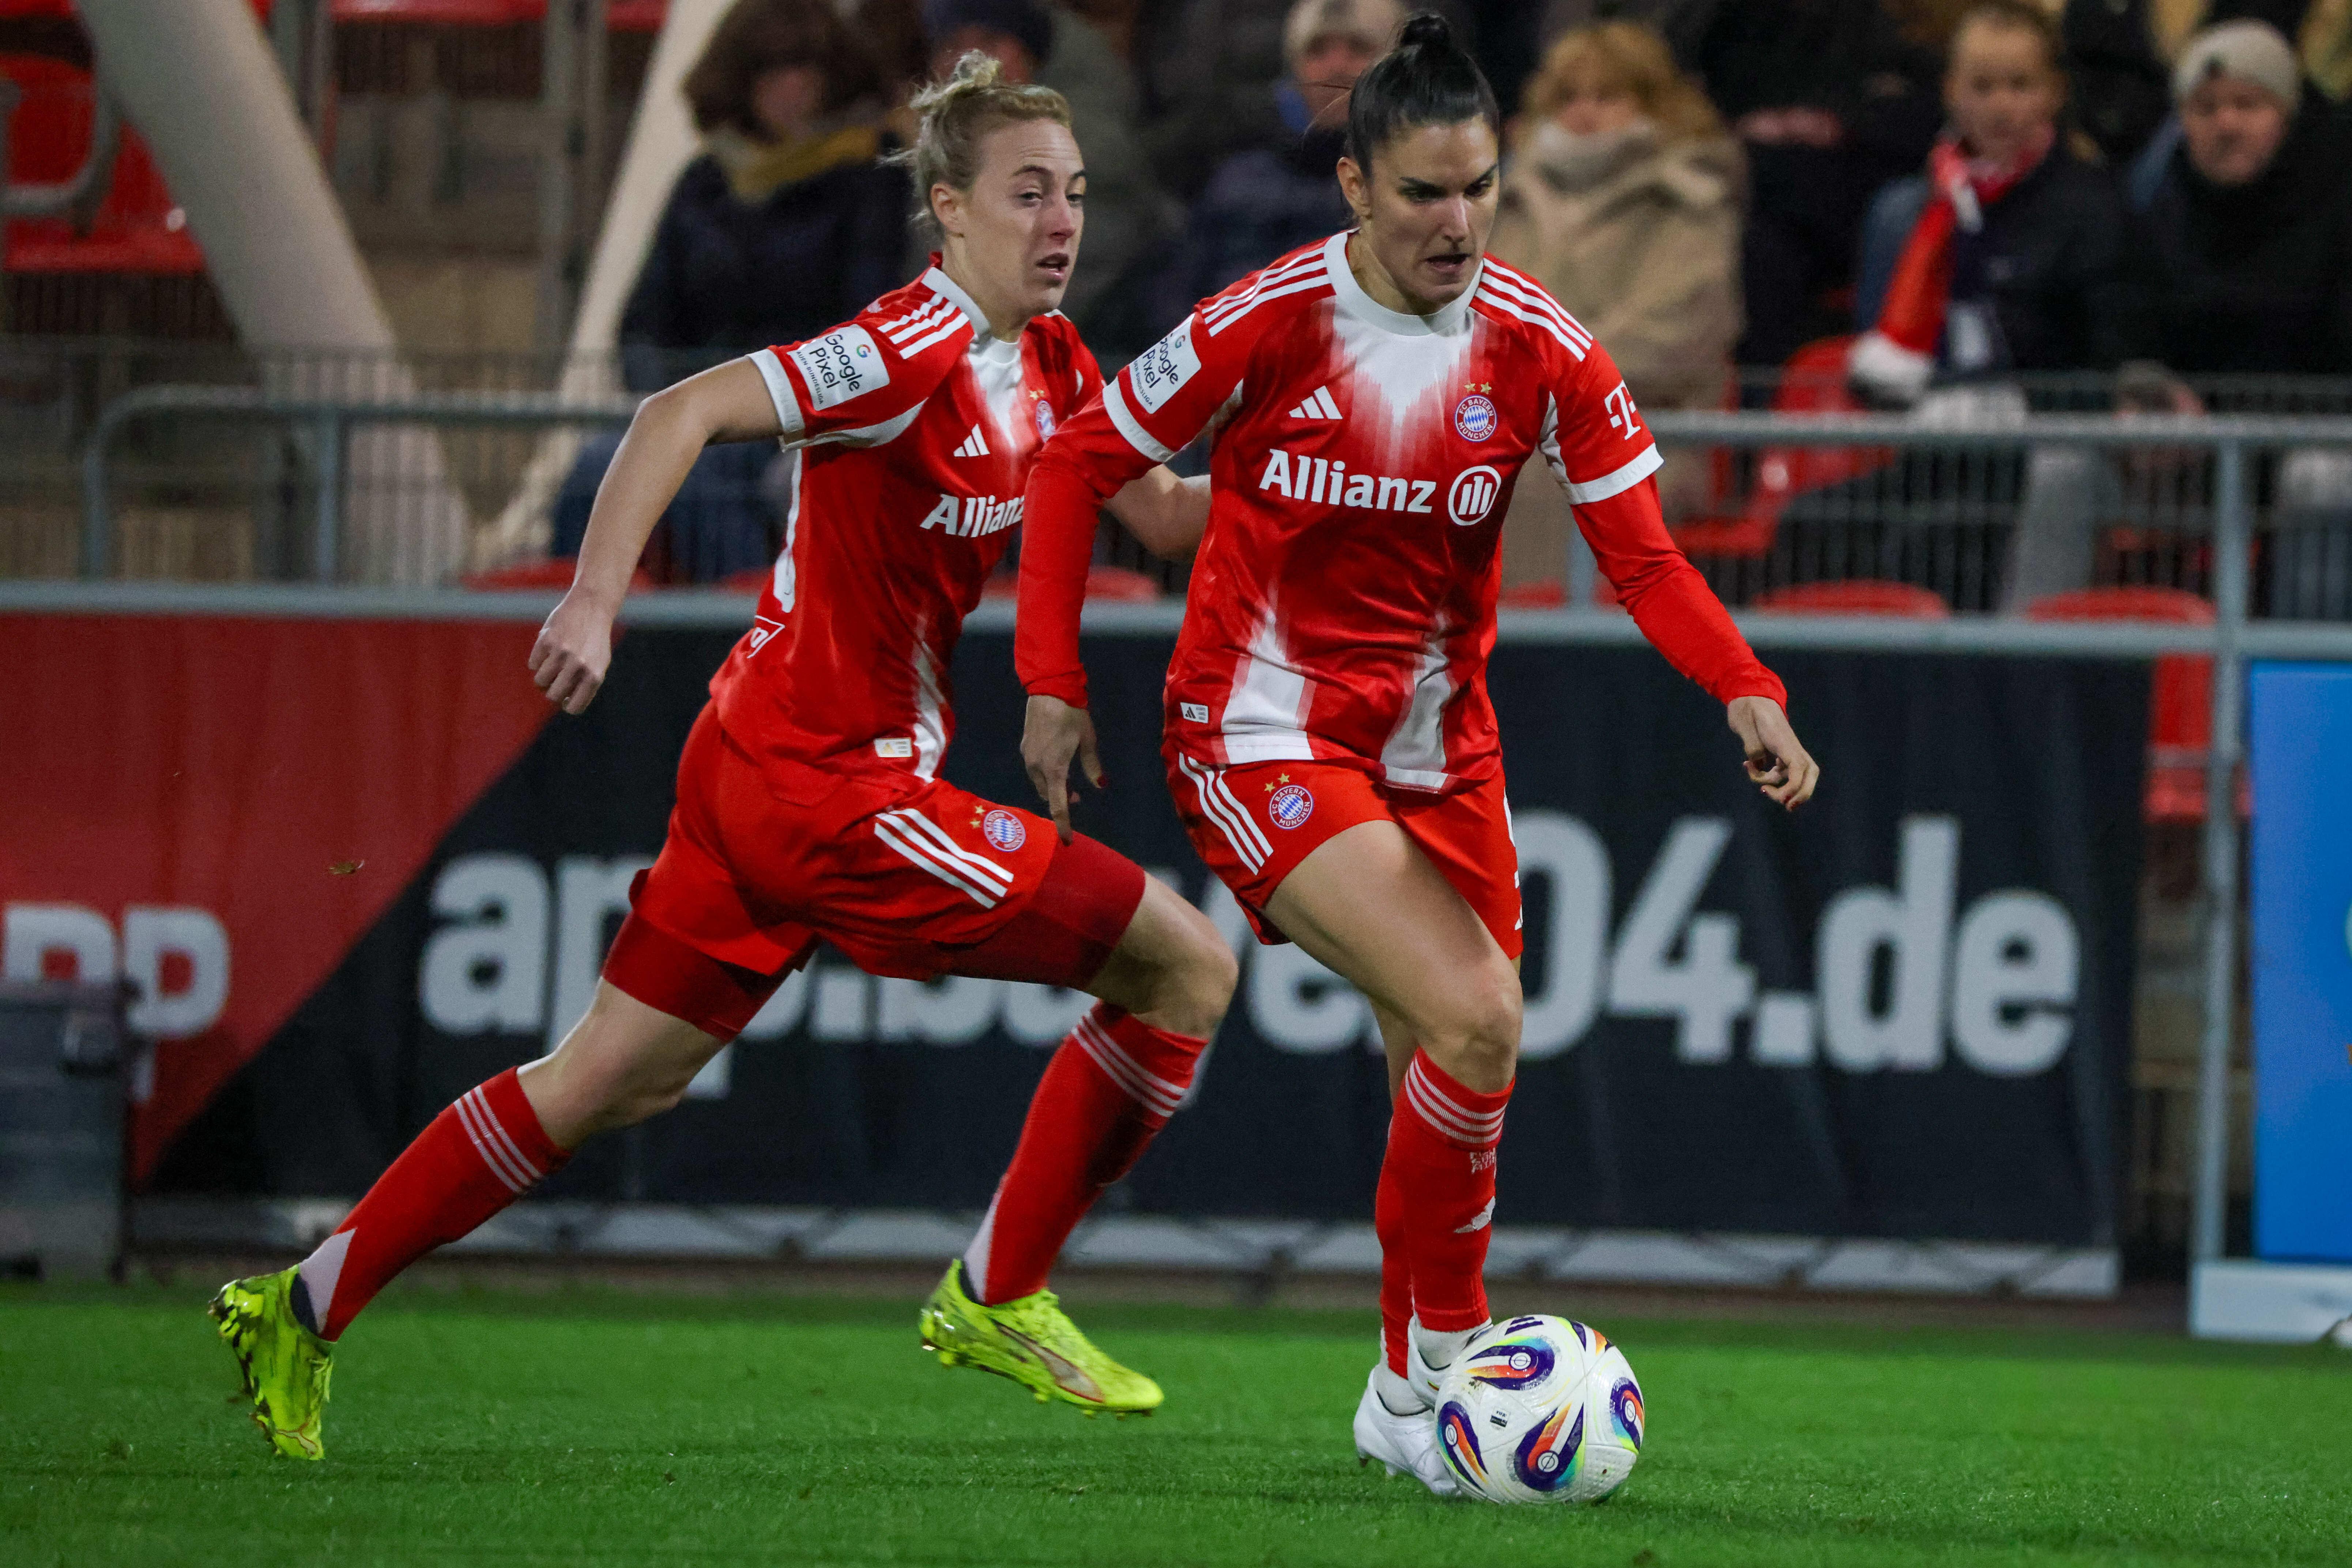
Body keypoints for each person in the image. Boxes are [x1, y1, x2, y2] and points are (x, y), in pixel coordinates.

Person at [208, 54, 1237, 1462]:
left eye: (1072, 192)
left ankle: (301, 1300)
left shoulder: (1054, 361)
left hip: (759, 763)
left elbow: (1165, 511)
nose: (1060, 220)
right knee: (1186, 964)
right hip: (830, 789)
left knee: (604, 1078)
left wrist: (1329, 485)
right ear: (948, 211)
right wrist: (590, 591)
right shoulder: (895, 353)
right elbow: (673, 410)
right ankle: (997, 1291)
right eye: (1024, 193)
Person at [1014, 14, 1818, 1493]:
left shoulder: (1543, 348)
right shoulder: (1267, 317)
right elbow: (1079, 461)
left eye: (1480, 189)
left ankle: (1402, 1396)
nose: (1457, 223)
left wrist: (1744, 683)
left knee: (1443, 1059)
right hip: (1252, 729)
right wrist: (1052, 679)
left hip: (1439, 753)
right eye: (1425, 193)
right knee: (1481, 1015)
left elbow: (1644, 561)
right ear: (1355, 190)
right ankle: (1450, 1362)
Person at [553, 0, 914, 581]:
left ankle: (745, 649)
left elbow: (865, 321)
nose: (789, 90)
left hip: (801, 416)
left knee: (705, 486)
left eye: (805, 73)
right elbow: (643, 324)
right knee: (595, 469)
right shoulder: (703, 183)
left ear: (834, 81)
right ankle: (578, 649)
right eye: (770, 73)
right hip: (697, 409)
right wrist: (676, 400)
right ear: (741, 84)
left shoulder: (871, 180)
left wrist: (750, 403)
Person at [1488, 19, 1742, 580]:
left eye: (1608, 96)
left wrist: (1542, 373)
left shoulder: (1690, 202)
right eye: (1569, 97)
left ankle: (1544, 657)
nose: (1585, 112)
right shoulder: (1505, 200)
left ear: (1656, 106)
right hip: (1509, 417)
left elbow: (1675, 339)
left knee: (1531, 478)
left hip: (1645, 430)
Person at [1847, 0, 2123, 407]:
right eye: (1982, 86)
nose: (2000, 106)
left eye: (2020, 85)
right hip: (1924, 442)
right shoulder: (1901, 213)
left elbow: (2104, 358)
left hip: (2051, 438)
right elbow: (1873, 374)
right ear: (1951, 90)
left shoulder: (2094, 206)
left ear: (2056, 92)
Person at [923, 0, 1174, 345]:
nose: (967, 62)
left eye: (990, 42)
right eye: (951, 47)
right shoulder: (941, 144)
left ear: (1030, 56)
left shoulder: (1090, 150)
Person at [1160, 0, 1403, 316]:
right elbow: (1177, 299)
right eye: (1317, 50)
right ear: (1294, 69)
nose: (1337, 66)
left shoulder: (1418, 183)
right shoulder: (1236, 180)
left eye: (1358, 48)